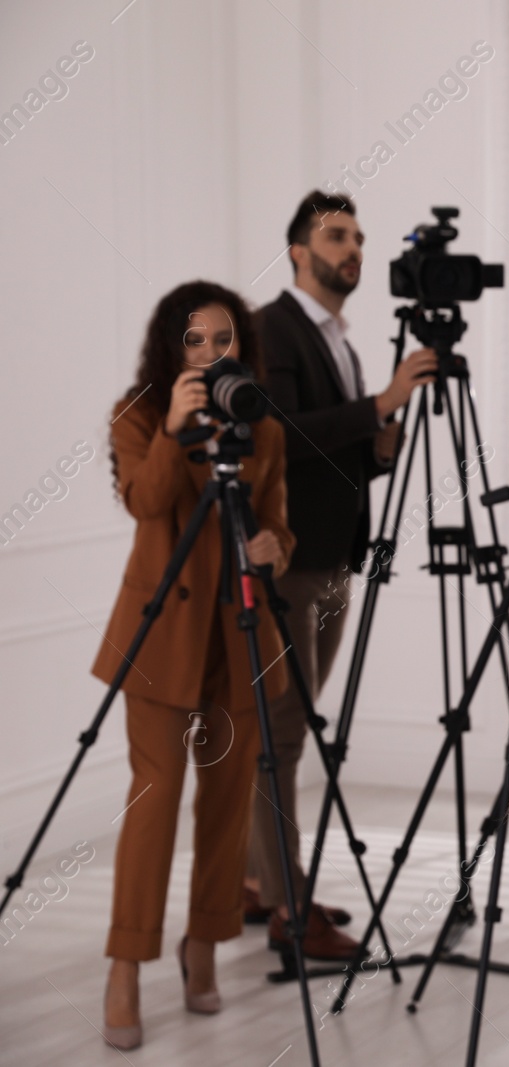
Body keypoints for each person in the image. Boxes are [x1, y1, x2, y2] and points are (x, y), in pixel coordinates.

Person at [95, 282, 295, 1050]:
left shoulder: (260, 422)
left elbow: (276, 521)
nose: (212, 355)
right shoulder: (137, 414)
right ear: (170, 350)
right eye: (195, 342)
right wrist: (177, 430)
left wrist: (279, 546)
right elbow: (144, 503)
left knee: (226, 805)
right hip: (161, 641)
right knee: (154, 802)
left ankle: (203, 942)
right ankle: (125, 963)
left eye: (224, 340)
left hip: (239, 636)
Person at [242, 191, 436, 960]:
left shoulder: (340, 338)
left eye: (358, 236)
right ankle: (288, 905)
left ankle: (263, 882)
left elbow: (331, 452)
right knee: (282, 734)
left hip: (333, 558)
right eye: (335, 235)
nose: (352, 248)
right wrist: (379, 402)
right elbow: (280, 439)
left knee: (289, 729)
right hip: (290, 561)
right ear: (298, 250)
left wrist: (378, 445)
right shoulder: (272, 329)